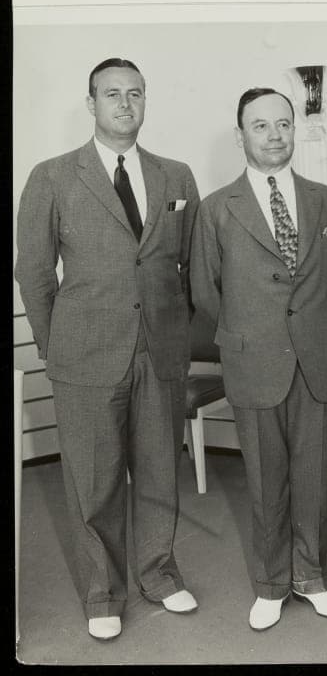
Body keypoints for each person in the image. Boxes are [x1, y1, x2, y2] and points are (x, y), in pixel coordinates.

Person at [15, 58, 201, 639]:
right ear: (90, 103)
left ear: (146, 102)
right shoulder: (52, 176)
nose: (125, 103)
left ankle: (159, 575)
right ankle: (103, 593)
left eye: (136, 93)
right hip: (84, 355)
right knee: (93, 482)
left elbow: (189, 267)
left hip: (159, 353)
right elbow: (35, 272)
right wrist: (55, 346)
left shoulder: (176, 175)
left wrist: (175, 336)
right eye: (112, 94)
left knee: (158, 473)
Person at [190, 87, 327, 630]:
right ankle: (270, 584)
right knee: (265, 480)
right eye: (260, 126)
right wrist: (253, 330)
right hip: (252, 361)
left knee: (312, 478)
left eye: (283, 124)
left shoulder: (325, 199)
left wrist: (308, 327)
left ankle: (313, 577)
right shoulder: (216, 209)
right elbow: (205, 292)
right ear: (241, 136)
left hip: (314, 362)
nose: (275, 135)